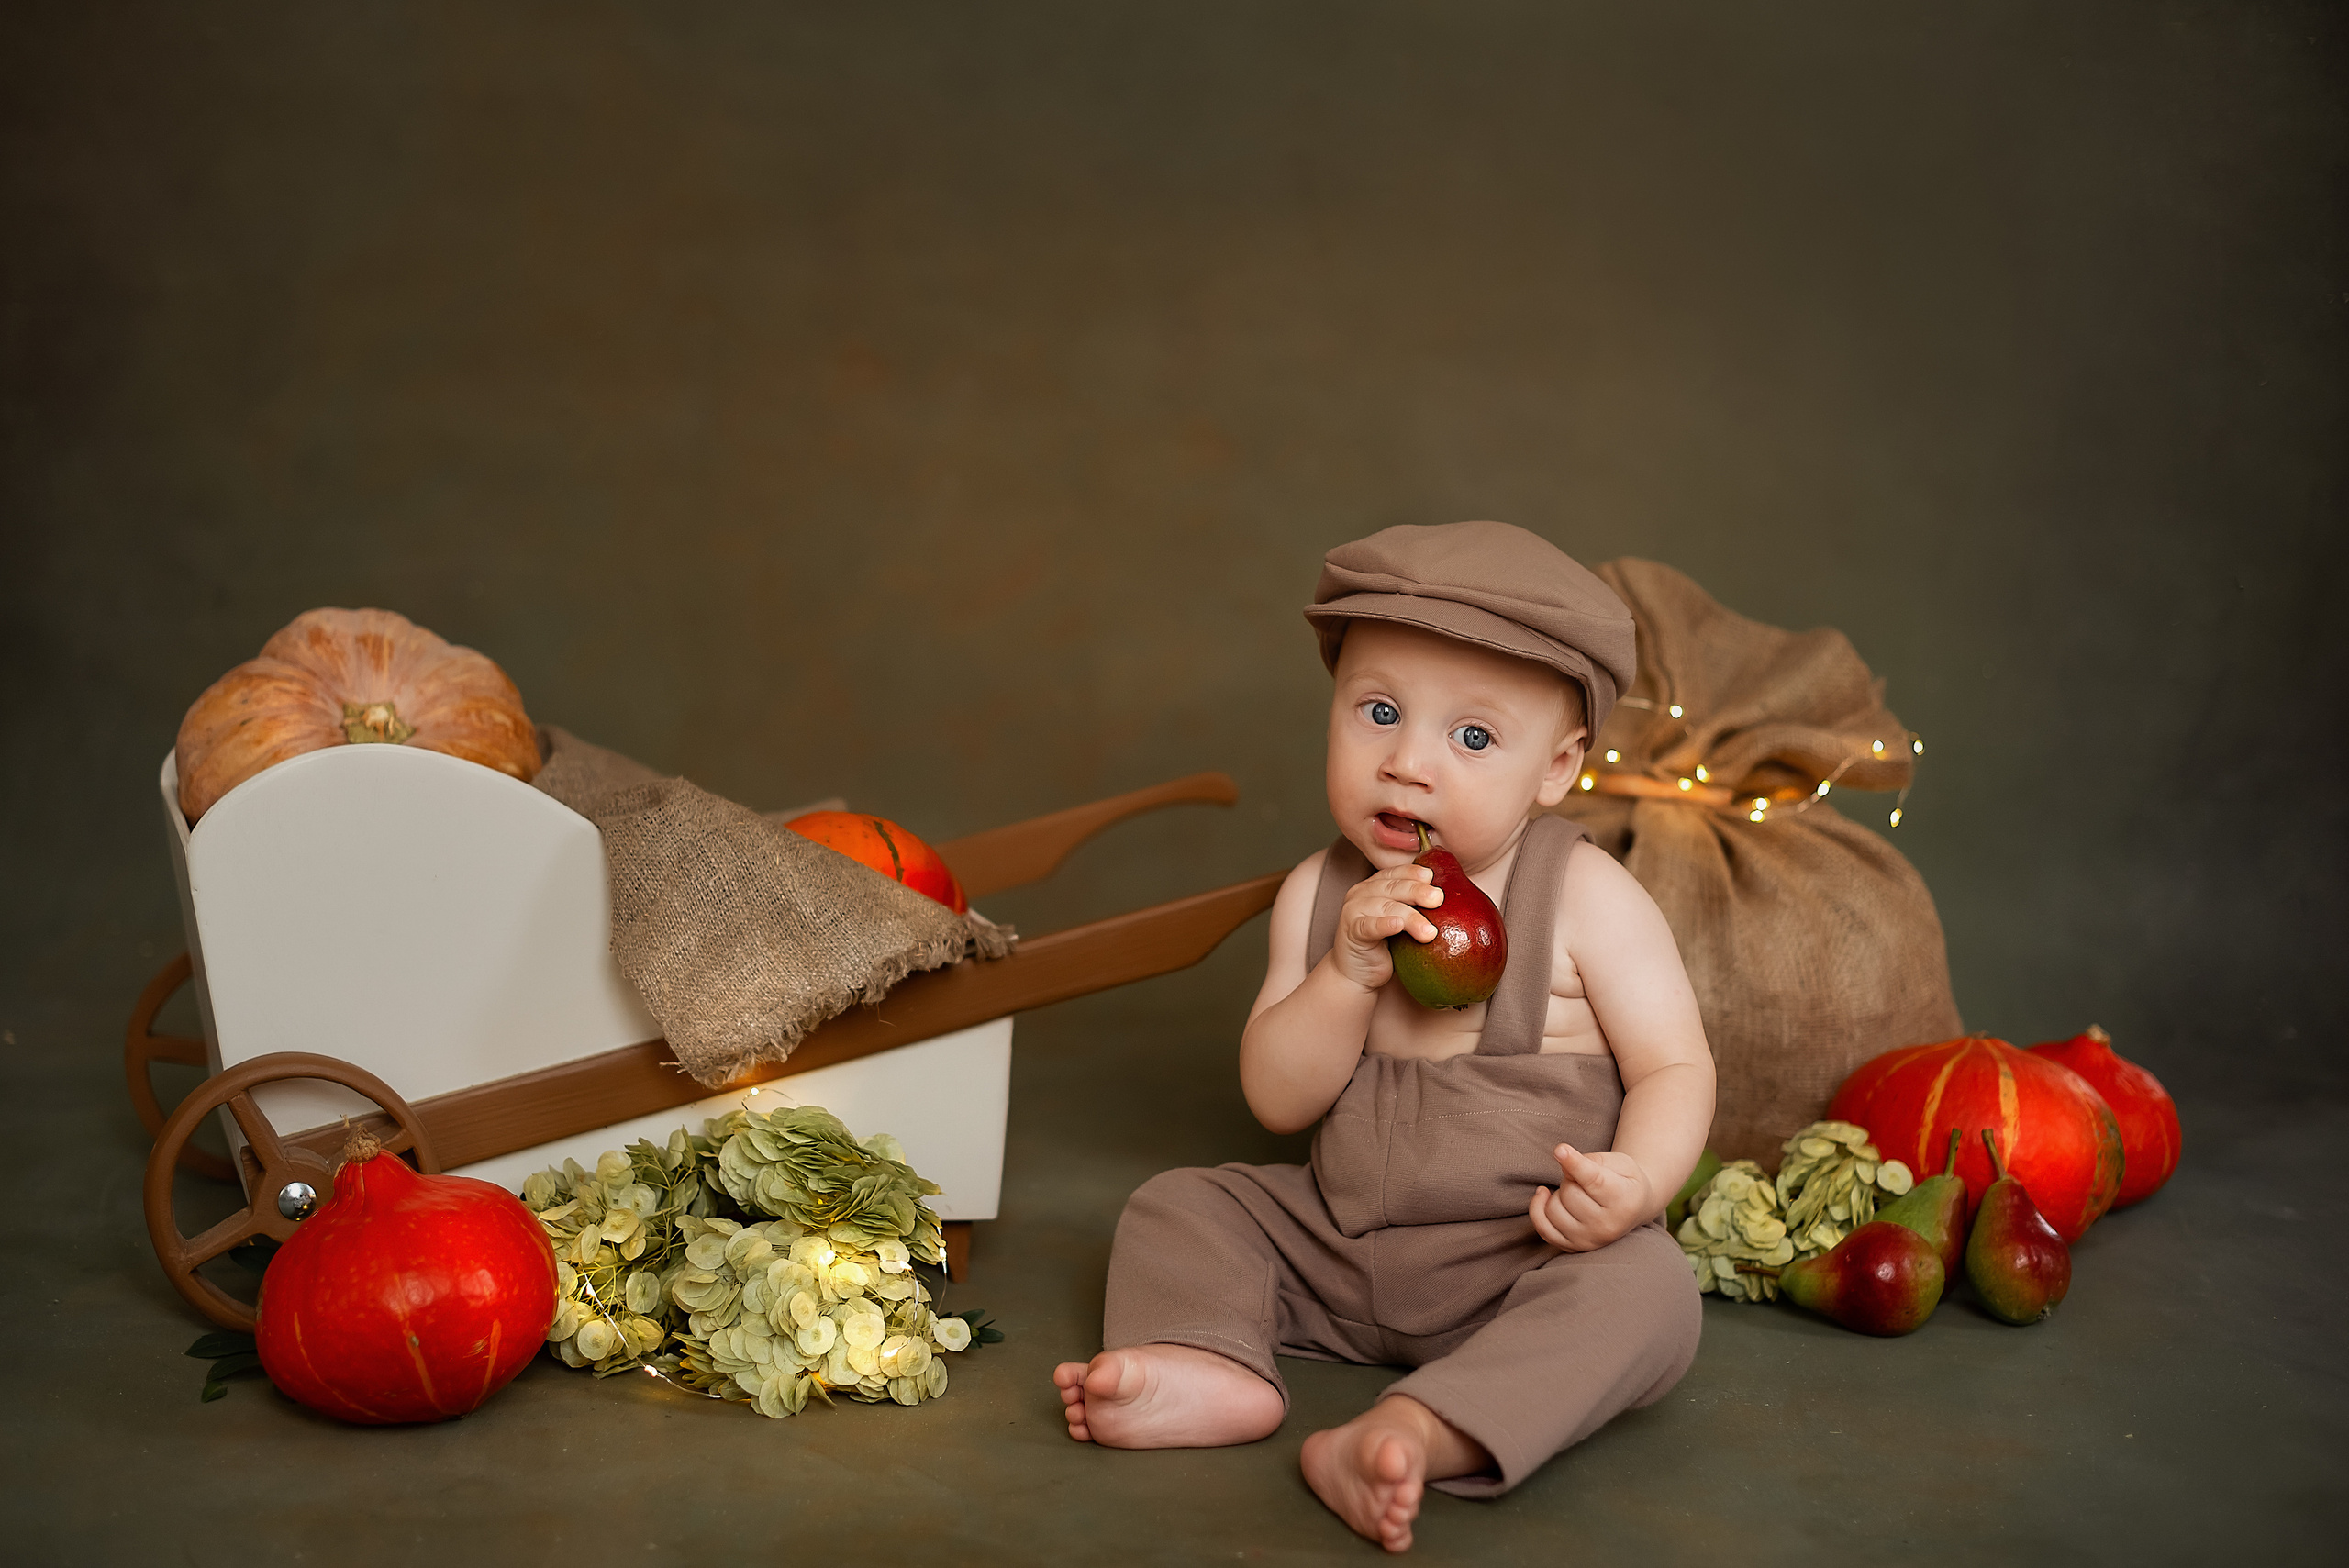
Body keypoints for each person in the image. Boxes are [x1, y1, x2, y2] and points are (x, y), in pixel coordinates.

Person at [1052, 521, 1712, 1552]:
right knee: (1182, 1202)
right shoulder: (1318, 892)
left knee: (1652, 1291)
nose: (1406, 764)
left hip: (1518, 1260)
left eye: (1474, 737)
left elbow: (1675, 1064)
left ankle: (1418, 1427)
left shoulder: (1586, 896)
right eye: (1378, 711)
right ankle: (1211, 1363)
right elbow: (1278, 1100)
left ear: (1559, 766)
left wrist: (1637, 1180)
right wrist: (1343, 972)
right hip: (1333, 1245)